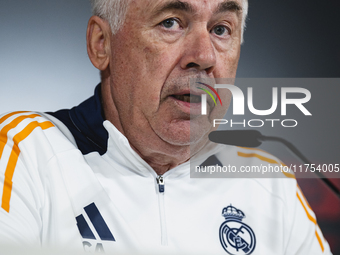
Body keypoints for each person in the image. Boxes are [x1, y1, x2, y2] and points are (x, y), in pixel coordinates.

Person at [0, 0, 332, 254]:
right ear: (102, 44)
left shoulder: (269, 185)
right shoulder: (26, 152)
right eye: (171, 23)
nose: (203, 56)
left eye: (221, 29)